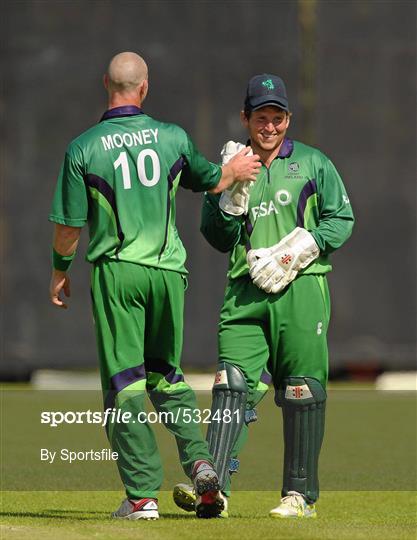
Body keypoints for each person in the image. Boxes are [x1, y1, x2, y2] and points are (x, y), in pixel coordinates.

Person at [48, 52, 261, 520]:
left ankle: (142, 497)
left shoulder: (83, 147)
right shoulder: (172, 137)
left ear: (107, 83)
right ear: (144, 88)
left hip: (119, 273)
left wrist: (60, 269)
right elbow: (213, 180)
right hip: (167, 275)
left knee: (125, 385)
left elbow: (68, 227)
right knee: (167, 376)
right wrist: (239, 170)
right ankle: (203, 464)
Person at [173, 73, 354, 518]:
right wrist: (230, 201)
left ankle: (298, 496)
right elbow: (215, 236)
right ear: (245, 118)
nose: (269, 127)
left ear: (288, 119)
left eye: (277, 118)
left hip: (301, 291)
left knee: (301, 391)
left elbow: (341, 219)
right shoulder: (232, 166)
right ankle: (213, 490)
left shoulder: (313, 163)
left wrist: (297, 250)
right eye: (261, 117)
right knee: (231, 387)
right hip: (244, 293)